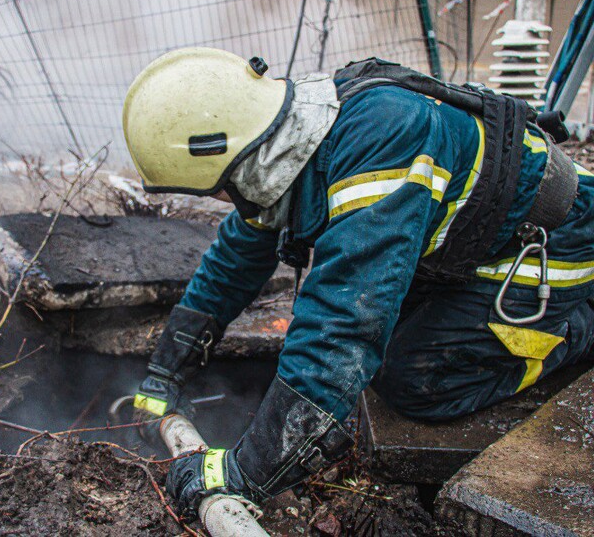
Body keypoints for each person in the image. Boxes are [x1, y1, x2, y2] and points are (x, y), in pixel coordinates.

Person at [120, 47, 594, 518]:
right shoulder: (284, 143)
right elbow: (232, 263)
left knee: (414, 380)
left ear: (228, 157)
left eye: (215, 190)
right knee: (384, 349)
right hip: (475, 244)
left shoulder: (379, 139)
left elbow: (345, 324)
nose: (223, 201)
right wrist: (165, 372)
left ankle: (576, 330)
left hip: (554, 244)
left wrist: (247, 472)